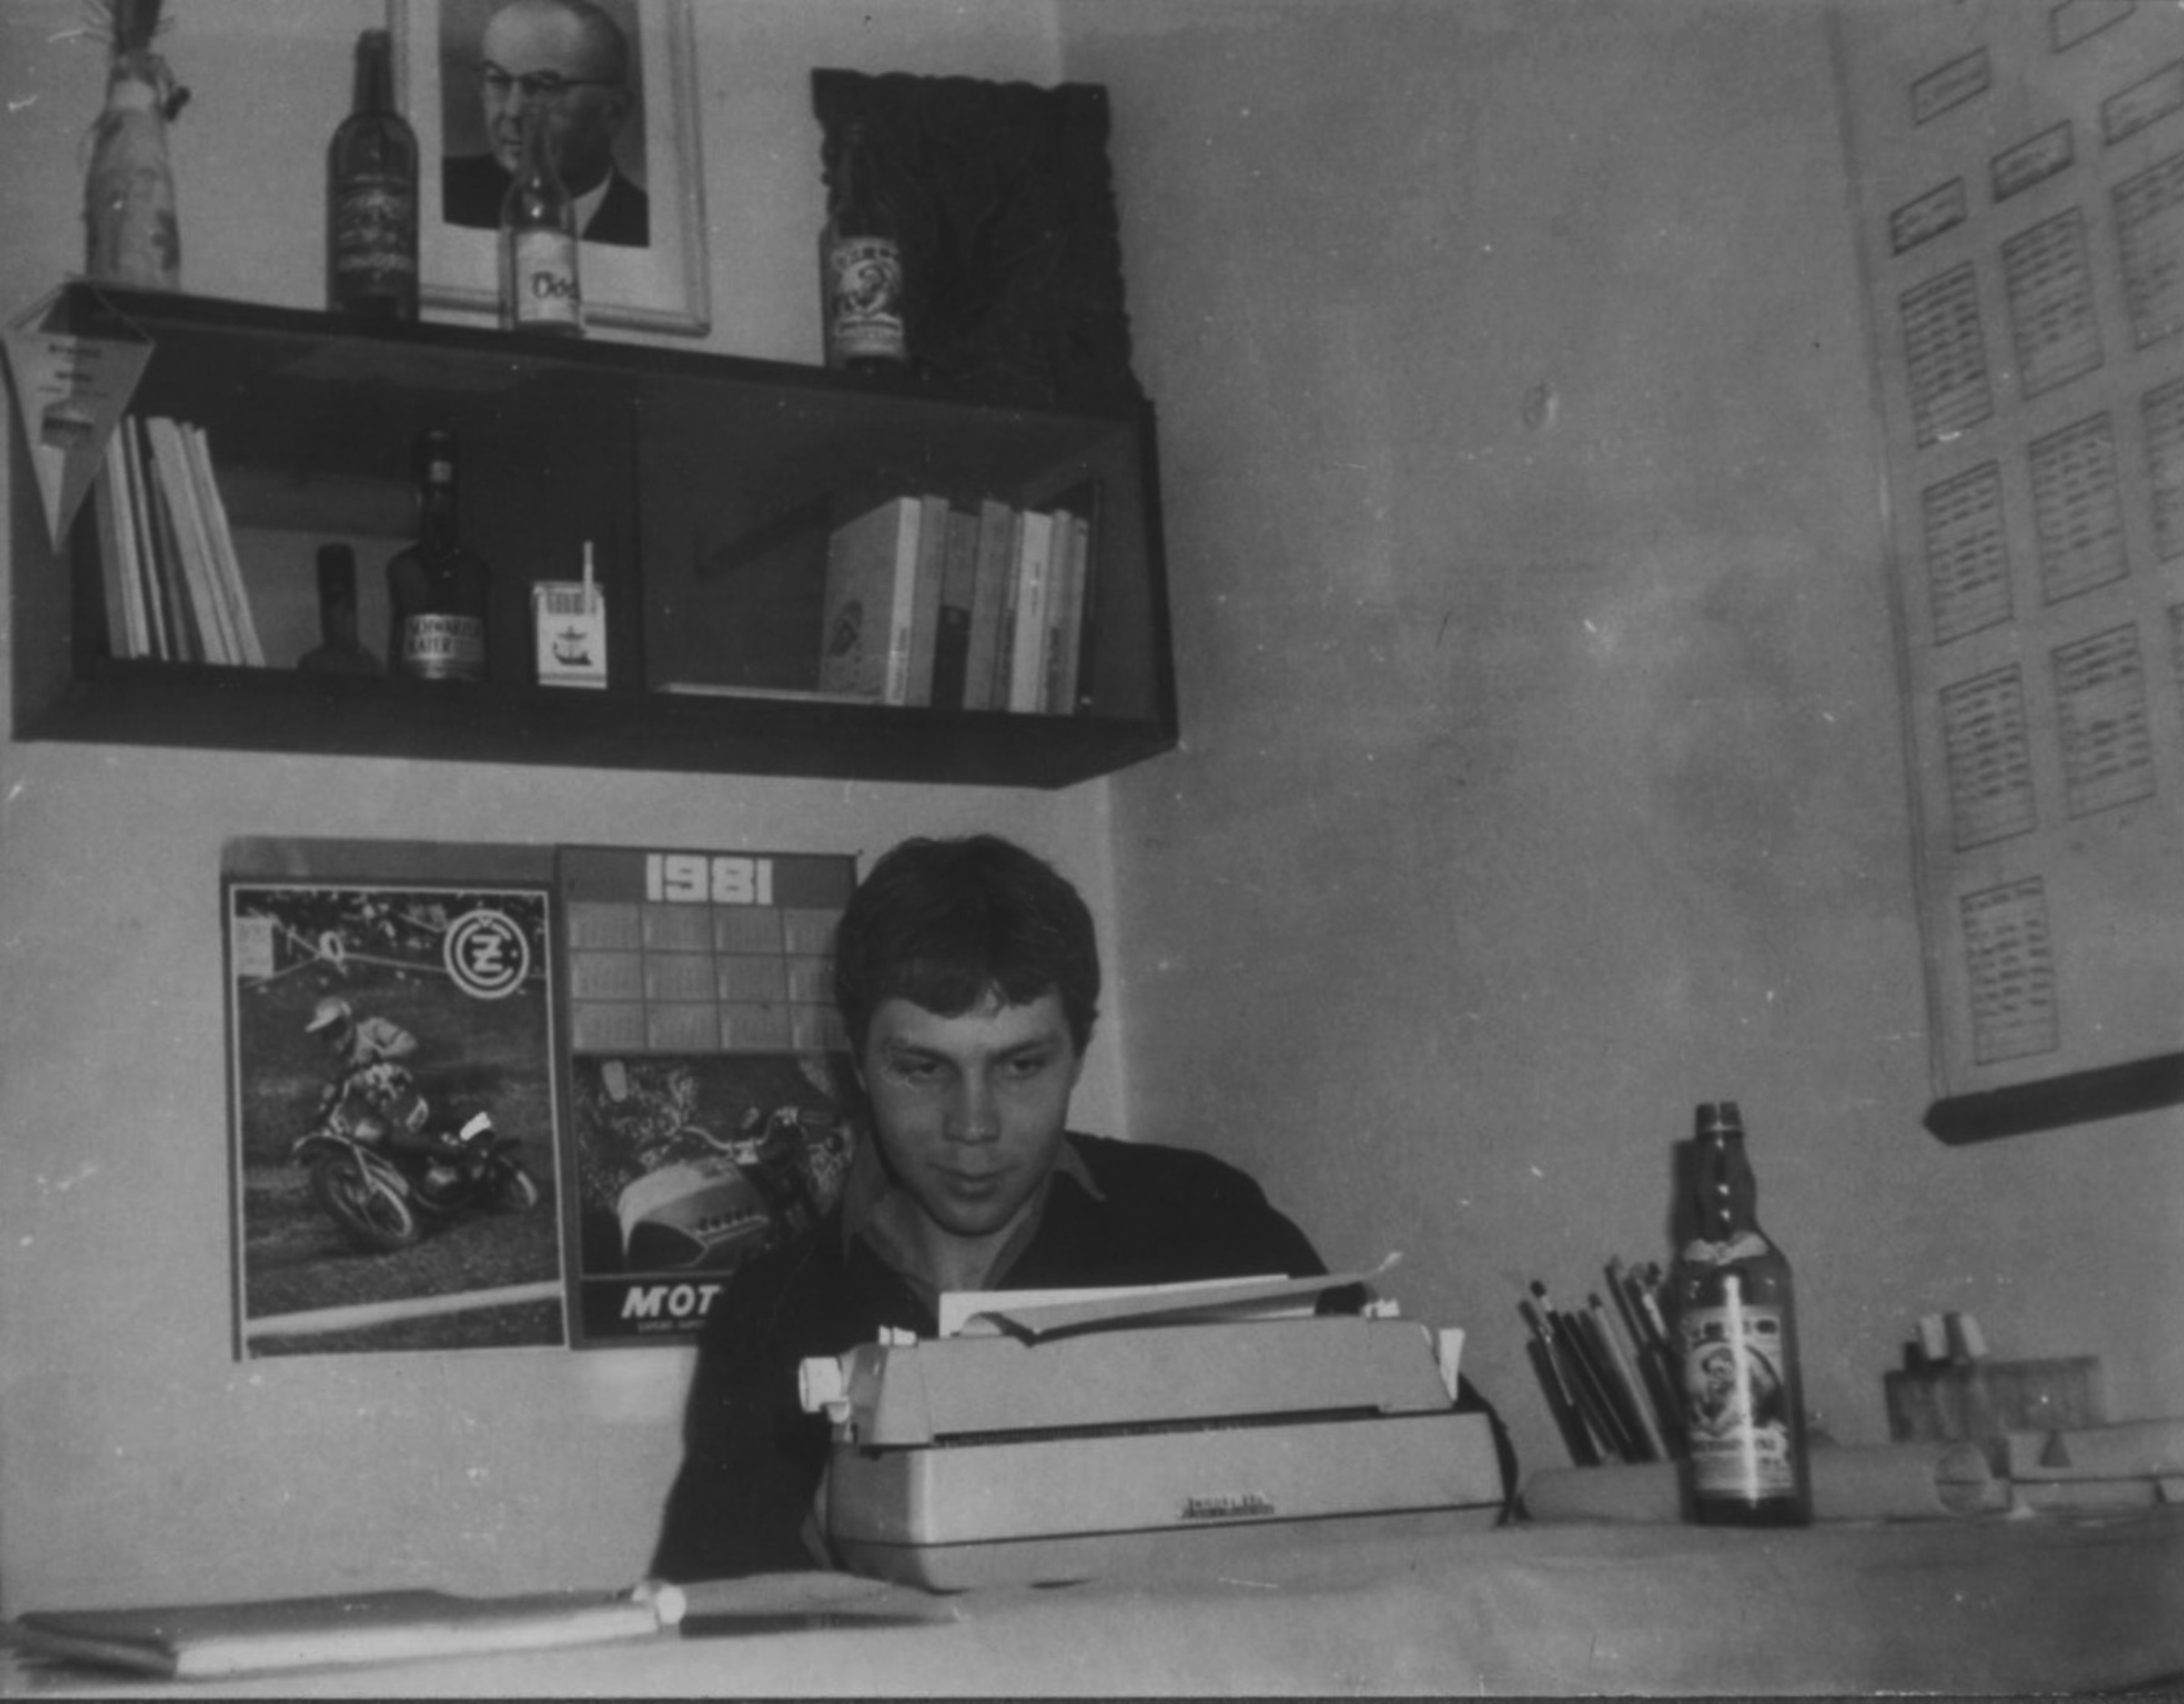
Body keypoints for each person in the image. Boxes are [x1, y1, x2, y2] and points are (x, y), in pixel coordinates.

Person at [649, 834, 1513, 1582]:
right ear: (857, 1063)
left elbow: (1473, 1462)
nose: (973, 1125)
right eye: (923, 1069)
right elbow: (709, 1617)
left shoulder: (1202, 1217)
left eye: (1022, 1066)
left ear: (1079, 1055)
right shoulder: (770, 1309)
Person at [440, 0, 651, 247]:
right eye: (497, 80)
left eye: (542, 87)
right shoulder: (444, 191)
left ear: (613, 112)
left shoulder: (647, 224)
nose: (512, 111)